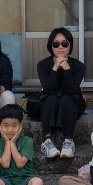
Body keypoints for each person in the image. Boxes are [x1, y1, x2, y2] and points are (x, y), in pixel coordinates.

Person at [35, 27, 86, 160]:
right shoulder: (42, 65)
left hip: (72, 102)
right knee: (51, 98)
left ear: (70, 45)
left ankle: (68, 141)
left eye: (64, 43)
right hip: (50, 103)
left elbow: (71, 91)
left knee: (65, 99)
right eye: (56, 44)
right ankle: (46, 141)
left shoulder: (79, 66)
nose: (60, 47)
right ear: (51, 46)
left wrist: (67, 69)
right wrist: (55, 68)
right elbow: (49, 90)